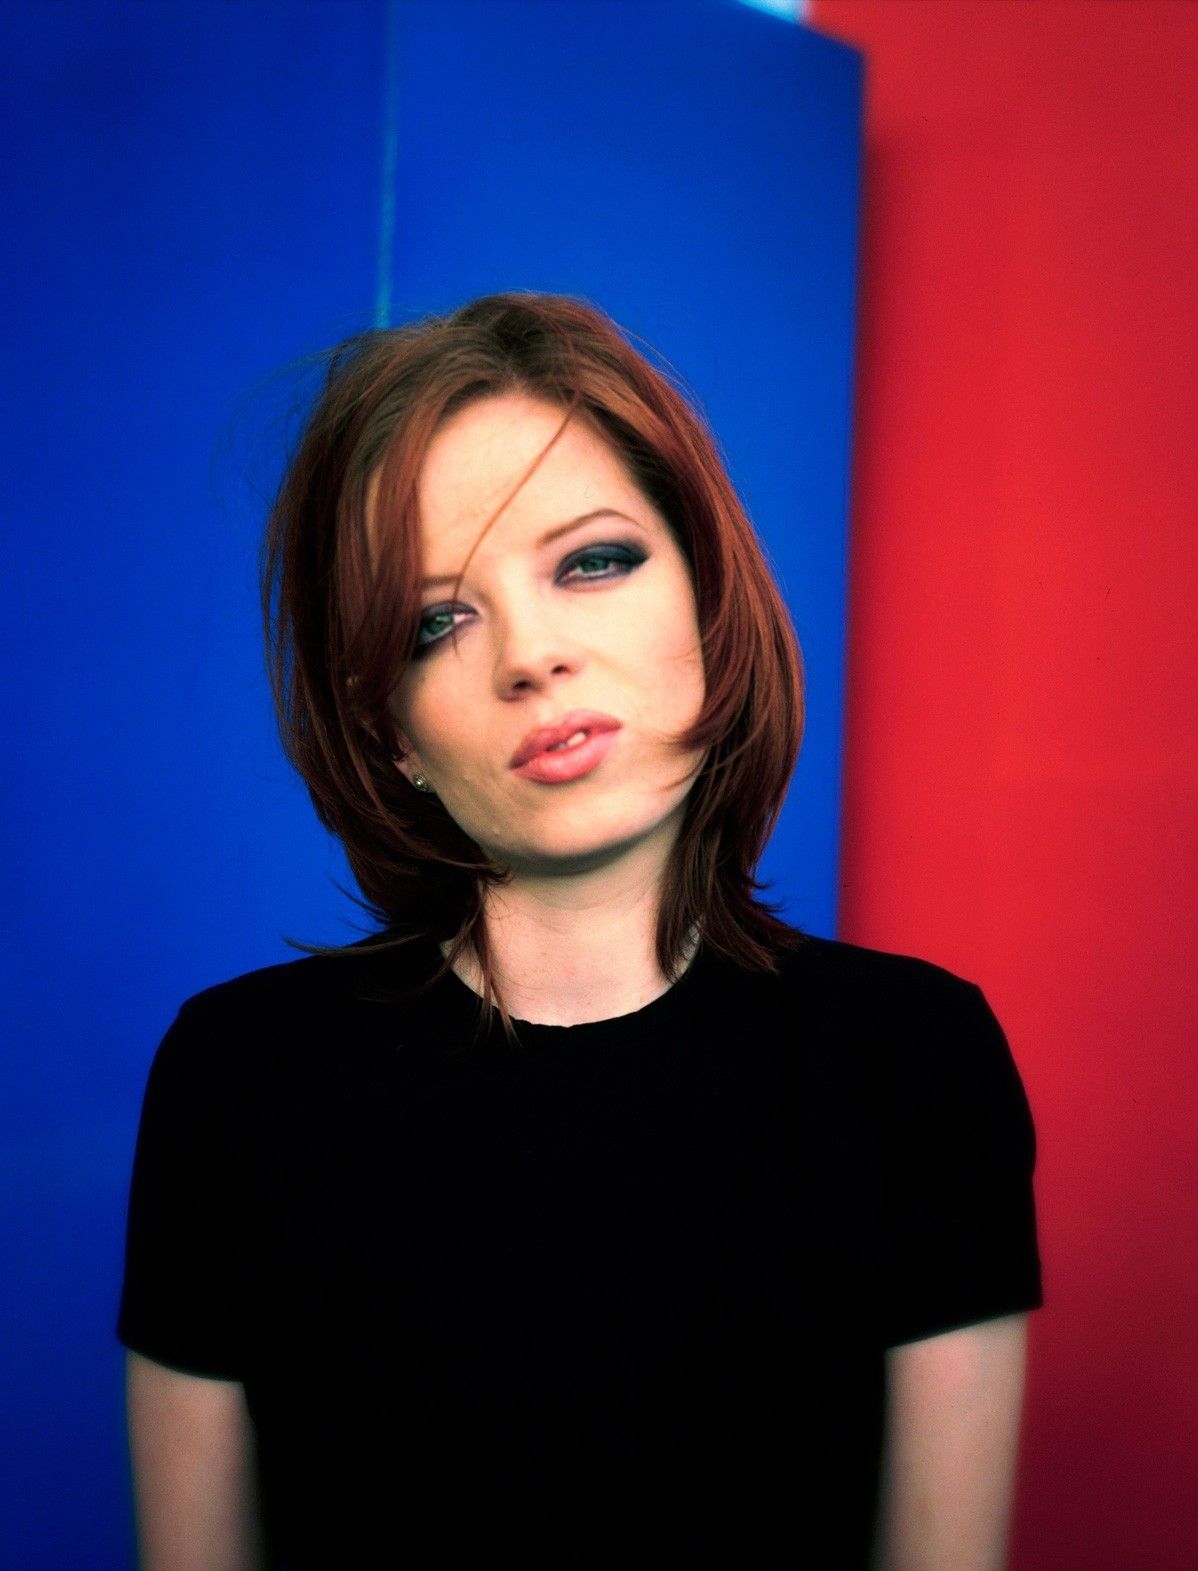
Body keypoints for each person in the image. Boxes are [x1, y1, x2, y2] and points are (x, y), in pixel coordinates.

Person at [117, 290, 1043, 1570]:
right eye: (436, 620)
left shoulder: (912, 1059)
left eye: (592, 561)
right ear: (389, 731)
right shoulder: (237, 1080)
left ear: (706, 591)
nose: (531, 654)